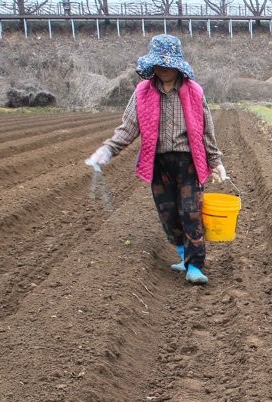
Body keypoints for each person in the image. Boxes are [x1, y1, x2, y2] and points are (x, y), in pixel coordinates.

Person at [85, 34, 227, 285]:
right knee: (168, 213)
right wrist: (107, 150)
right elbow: (128, 128)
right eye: (159, 64)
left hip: (188, 161)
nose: (163, 68)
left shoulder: (194, 92)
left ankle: (195, 264)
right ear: (152, 65)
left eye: (168, 64)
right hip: (158, 162)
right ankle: (183, 255)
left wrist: (215, 161)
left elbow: (206, 130)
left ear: (177, 64)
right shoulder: (143, 92)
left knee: (191, 212)